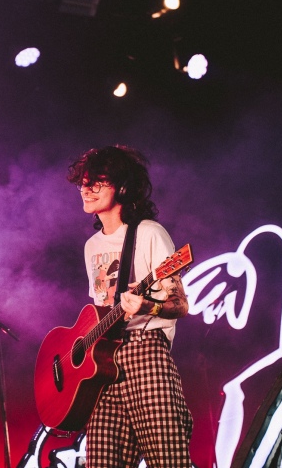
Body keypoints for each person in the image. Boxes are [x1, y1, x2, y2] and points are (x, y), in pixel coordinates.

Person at [67, 145, 193, 468]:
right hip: (103, 366)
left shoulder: (150, 233)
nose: (85, 189)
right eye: (83, 182)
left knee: (169, 461)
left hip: (146, 353)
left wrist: (147, 307)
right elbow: (98, 310)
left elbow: (180, 304)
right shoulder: (91, 247)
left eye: (96, 181)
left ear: (122, 187)